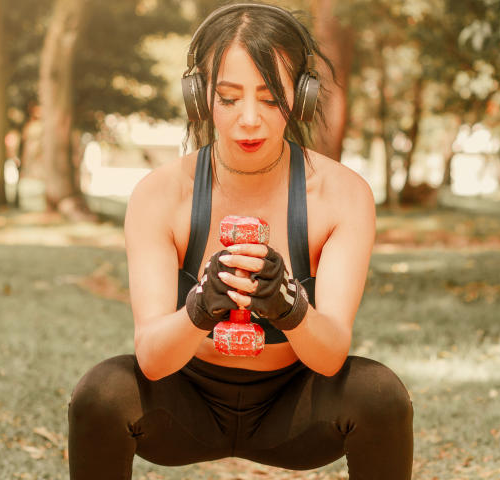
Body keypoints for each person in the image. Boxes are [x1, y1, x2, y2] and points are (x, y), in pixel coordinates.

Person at [67, 3, 413, 479]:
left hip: (293, 405)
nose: (249, 119)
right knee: (101, 392)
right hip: (186, 402)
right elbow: (151, 359)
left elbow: (331, 355)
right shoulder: (160, 194)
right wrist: (199, 307)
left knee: (381, 393)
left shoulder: (342, 194)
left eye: (271, 98)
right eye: (228, 98)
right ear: (198, 97)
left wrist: (289, 306)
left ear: (303, 97)